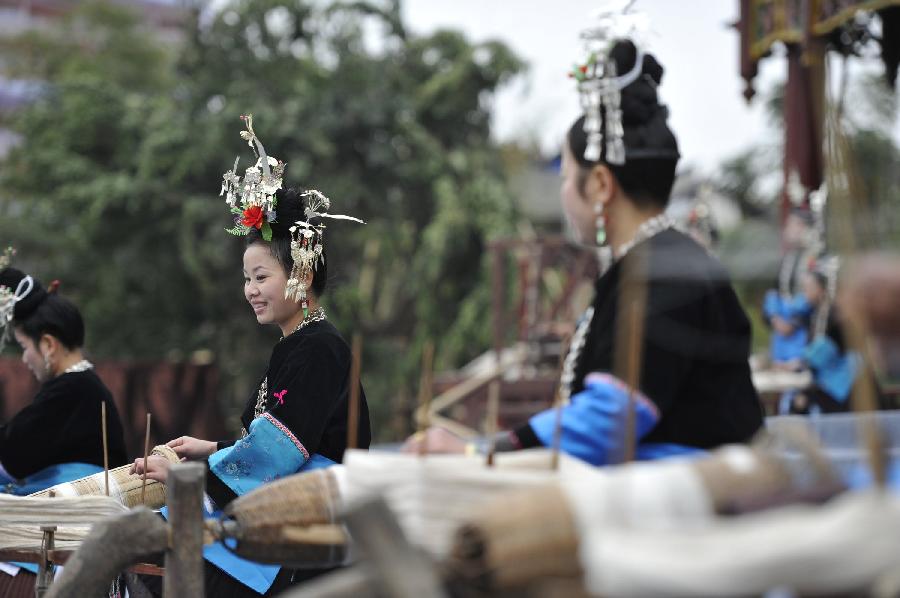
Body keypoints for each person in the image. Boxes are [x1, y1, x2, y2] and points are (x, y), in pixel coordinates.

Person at [407, 38, 763, 464]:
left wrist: (478, 451)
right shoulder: (652, 261)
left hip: (684, 497)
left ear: (599, 185)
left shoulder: (660, 270)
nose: (561, 193)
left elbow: (612, 419)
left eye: (565, 175)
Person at [133, 116, 371, 597]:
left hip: (307, 527)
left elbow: (277, 453)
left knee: (163, 554)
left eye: (261, 277)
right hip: (290, 510)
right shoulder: (300, 344)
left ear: (300, 273)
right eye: (247, 279)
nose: (250, 291)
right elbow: (278, 440)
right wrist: (212, 449)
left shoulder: (320, 349)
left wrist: (190, 475)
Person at [0, 258, 127, 495]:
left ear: (48, 345)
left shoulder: (73, 390)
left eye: (25, 347)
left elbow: (11, 455)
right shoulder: (82, 387)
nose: (25, 358)